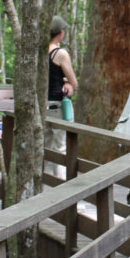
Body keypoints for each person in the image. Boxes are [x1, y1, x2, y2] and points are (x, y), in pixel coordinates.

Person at [47, 16, 77, 178]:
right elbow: (74, 82)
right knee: (61, 150)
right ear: (61, 33)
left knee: (42, 149)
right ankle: (62, 197)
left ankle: (36, 195)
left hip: (41, 106)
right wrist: (69, 83)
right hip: (57, 107)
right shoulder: (60, 53)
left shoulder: (38, 52)